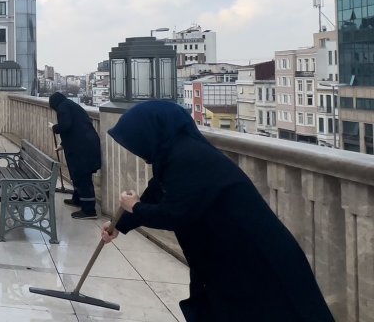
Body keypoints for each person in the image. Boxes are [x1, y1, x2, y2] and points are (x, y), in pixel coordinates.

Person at [100, 101, 334, 321]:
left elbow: (176, 214)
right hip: (226, 259)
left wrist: (136, 208)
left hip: (257, 260)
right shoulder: (173, 155)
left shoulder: (189, 157)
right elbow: (158, 191)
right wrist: (119, 225)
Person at [49, 92, 101, 219]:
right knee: (78, 174)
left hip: (83, 148)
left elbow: (66, 125)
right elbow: (76, 129)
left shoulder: (63, 107)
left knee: (82, 175)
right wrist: (63, 144)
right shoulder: (70, 105)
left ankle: (89, 210)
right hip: (85, 144)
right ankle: (78, 200)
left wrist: (54, 128)